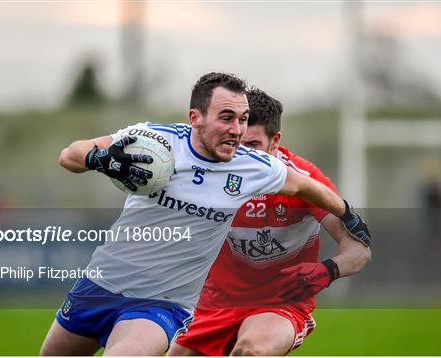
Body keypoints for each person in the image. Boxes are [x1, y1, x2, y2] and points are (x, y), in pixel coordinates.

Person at [40, 73, 370, 356]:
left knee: (247, 349)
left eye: (243, 122)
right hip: (110, 285)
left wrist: (344, 221)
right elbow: (70, 154)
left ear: (275, 142)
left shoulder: (259, 168)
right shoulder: (156, 141)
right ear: (195, 117)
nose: (237, 134)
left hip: (174, 301)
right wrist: (101, 159)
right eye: (227, 119)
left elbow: (307, 189)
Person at [169, 88, 371, 356]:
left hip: (280, 303)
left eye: (253, 146)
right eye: (238, 144)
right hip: (217, 304)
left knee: (252, 350)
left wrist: (327, 271)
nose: (243, 158)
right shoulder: (213, 172)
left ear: (275, 141)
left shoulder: (305, 180)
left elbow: (359, 250)